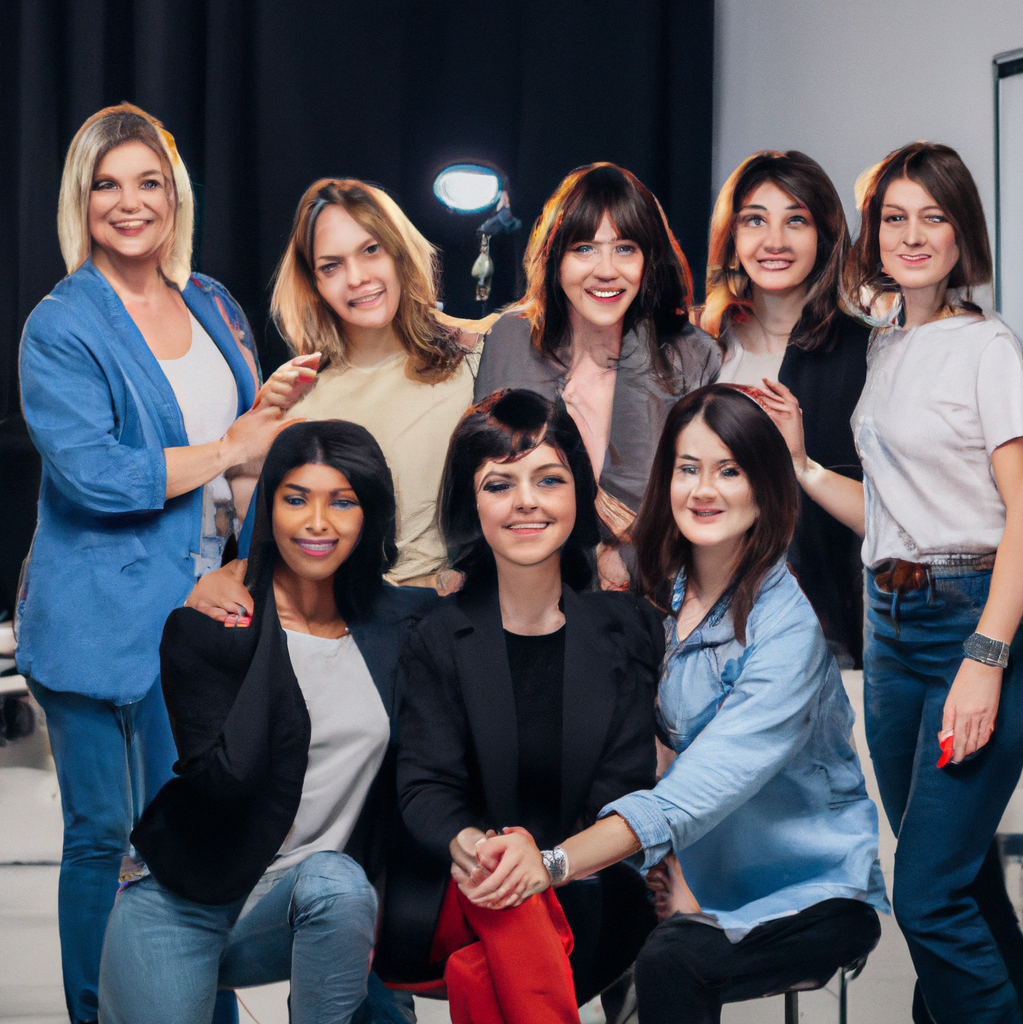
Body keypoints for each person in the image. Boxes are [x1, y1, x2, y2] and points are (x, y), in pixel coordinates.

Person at [459, 385, 887, 1024]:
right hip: (687, 883)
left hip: (809, 889)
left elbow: (700, 787)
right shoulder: (657, 601)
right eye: (688, 469)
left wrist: (549, 865)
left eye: (730, 471)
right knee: (563, 929)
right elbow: (640, 752)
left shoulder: (785, 629)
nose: (704, 490)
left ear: (766, 486)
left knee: (670, 959)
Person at [16, 103, 293, 1024]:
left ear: (175, 196)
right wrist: (228, 447)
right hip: (98, 621)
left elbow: (249, 450)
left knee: (195, 844)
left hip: (205, 613)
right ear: (80, 199)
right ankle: (102, 1015)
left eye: (150, 183)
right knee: (105, 839)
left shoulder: (212, 301)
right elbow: (98, 476)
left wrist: (266, 530)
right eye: (108, 185)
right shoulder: (60, 326)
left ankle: (193, 1010)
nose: (131, 203)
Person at [762, 142, 1023, 1024]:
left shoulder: (987, 348)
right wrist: (798, 464)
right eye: (895, 217)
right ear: (873, 234)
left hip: (972, 619)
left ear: (962, 233)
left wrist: (986, 657)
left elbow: (1022, 516)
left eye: (934, 217)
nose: (913, 236)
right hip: (892, 622)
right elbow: (891, 513)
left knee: (926, 895)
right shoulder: (885, 349)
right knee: (961, 877)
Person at [97, 420, 438, 1024]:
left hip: (310, 905)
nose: (316, 523)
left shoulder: (405, 629)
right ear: (269, 508)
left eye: (343, 501)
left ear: (371, 514)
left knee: (337, 881)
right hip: (182, 903)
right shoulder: (210, 627)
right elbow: (225, 777)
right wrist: (246, 598)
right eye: (295, 498)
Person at [395, 389, 663, 1022]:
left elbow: (625, 787)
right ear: (472, 502)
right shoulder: (437, 636)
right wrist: (485, 852)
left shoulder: (625, 628)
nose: (526, 503)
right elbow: (425, 788)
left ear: (578, 493)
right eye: (499, 484)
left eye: (548, 479)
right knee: (507, 914)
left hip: (590, 885)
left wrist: (541, 865)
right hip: (470, 884)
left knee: (499, 955)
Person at [473, 163, 719, 587]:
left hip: (660, 596)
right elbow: (478, 474)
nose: (606, 270)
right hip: (530, 590)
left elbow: (709, 500)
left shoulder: (691, 356)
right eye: (584, 248)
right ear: (555, 258)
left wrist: (627, 559)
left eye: (625, 248)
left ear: (649, 258)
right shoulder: (511, 340)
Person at [252, 177, 495, 589]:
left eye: (370, 250)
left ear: (399, 252)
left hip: (461, 623)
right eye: (331, 265)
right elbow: (269, 543)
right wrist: (261, 421)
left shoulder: (481, 355)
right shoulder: (304, 399)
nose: (357, 277)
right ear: (313, 284)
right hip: (354, 630)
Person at [702, 149, 869, 666]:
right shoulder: (700, 349)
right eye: (755, 220)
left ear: (824, 236)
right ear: (732, 236)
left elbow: (897, 518)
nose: (774, 241)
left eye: (795, 220)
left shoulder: (866, 354)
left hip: (823, 632)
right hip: (701, 622)